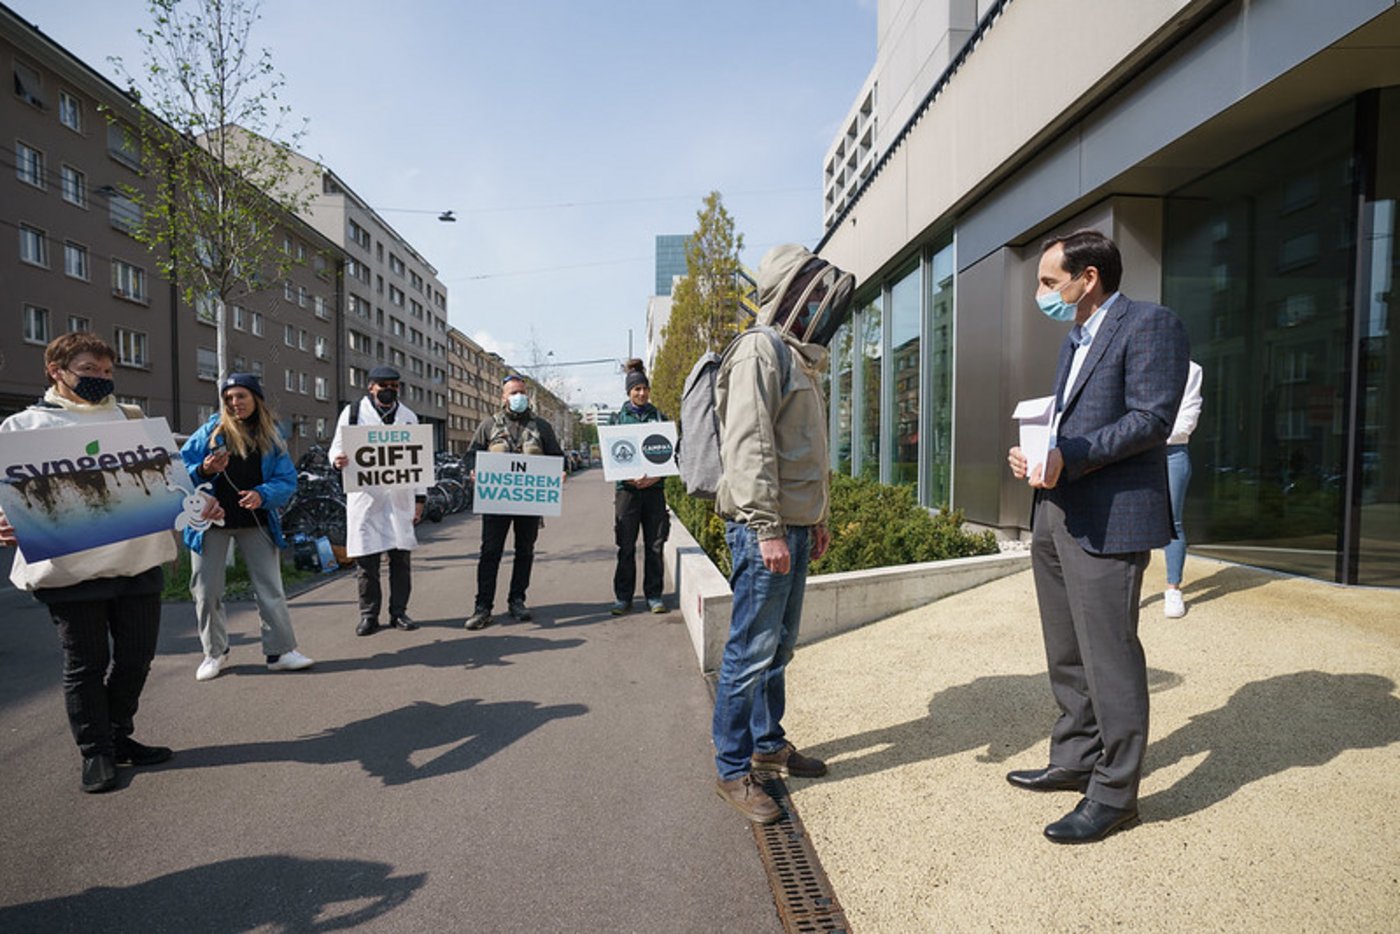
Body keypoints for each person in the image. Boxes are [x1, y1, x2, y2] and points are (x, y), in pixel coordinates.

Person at [1006, 230, 1189, 844]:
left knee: (1109, 655)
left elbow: (1151, 418)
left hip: (1112, 517)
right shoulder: (1075, 338)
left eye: (1048, 282)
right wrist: (1038, 455)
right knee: (1066, 649)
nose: (1041, 294)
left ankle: (1114, 794)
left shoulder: (1151, 324)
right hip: (1057, 510)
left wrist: (1072, 455)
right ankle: (1076, 756)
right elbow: (1070, 422)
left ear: (1089, 278)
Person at [0, 332, 218, 793]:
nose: (101, 378)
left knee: (137, 658)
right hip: (69, 570)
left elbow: (170, 486)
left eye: (106, 371)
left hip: (138, 562)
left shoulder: (132, 419)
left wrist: (200, 503)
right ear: (56, 372)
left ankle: (118, 735)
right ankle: (95, 751)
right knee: (87, 663)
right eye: (88, 370)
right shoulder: (23, 428)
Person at [711, 244, 855, 824]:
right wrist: (769, 527)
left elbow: (802, 451)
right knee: (749, 651)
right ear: (789, 291)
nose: (820, 305)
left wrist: (815, 518)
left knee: (778, 648)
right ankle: (732, 769)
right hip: (763, 529)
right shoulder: (759, 350)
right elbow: (750, 447)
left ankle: (768, 745)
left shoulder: (797, 358)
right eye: (812, 293)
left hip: (791, 527)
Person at [179, 374, 314, 681]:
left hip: (256, 522)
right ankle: (215, 652)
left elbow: (286, 480)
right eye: (229, 398)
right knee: (206, 590)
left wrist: (262, 495)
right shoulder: (210, 432)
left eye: (241, 396)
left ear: (256, 398)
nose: (234, 402)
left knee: (270, 588)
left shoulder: (272, 436)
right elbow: (180, 472)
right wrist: (204, 469)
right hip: (210, 523)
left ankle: (280, 652)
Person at [463, 374, 565, 630]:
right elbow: (471, 455)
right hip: (496, 502)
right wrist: (474, 469)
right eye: (513, 393)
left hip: (528, 503)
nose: (518, 397)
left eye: (522, 392)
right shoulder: (489, 425)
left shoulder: (541, 426)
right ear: (503, 397)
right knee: (490, 553)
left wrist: (560, 472)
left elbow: (557, 457)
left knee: (525, 552)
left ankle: (517, 600)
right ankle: (482, 607)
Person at [330, 366, 425, 636]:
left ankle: (399, 613)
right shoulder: (353, 413)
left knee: (400, 560)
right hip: (366, 499)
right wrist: (337, 460)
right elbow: (336, 447)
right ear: (371, 387)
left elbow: (418, 462)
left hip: (399, 499)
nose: (389, 390)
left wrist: (420, 499)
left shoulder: (409, 417)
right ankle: (369, 615)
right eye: (383, 385)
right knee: (366, 562)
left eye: (394, 386)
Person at [609, 359, 670, 615]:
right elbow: (611, 457)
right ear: (629, 392)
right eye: (637, 389)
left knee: (655, 546)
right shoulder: (617, 420)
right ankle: (623, 597)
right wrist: (628, 478)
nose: (642, 393)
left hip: (654, 493)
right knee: (626, 547)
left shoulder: (659, 417)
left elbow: (671, 455)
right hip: (627, 493)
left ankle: (654, 595)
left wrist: (656, 477)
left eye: (645, 388)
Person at [1163, 361, 1203, 619]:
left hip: (1172, 452)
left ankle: (1173, 589)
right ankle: (1125, 586)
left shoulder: (1191, 370)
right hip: (1136, 451)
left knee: (1172, 522)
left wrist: (1146, 435)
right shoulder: (1137, 361)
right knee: (1131, 520)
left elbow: (1188, 419)